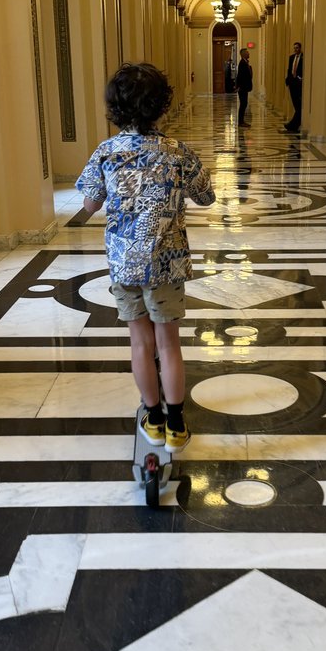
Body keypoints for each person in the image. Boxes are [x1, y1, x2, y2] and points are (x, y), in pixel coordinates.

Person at [77, 63, 215, 450]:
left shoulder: (106, 152)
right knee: (169, 344)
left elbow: (88, 204)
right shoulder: (177, 152)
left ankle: (152, 418)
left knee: (140, 343)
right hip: (167, 263)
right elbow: (207, 197)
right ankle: (176, 424)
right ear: (161, 106)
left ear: (115, 108)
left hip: (125, 263)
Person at [283, 41, 303, 133]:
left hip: (299, 83)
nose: (295, 49)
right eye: (294, 48)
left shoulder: (303, 57)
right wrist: (288, 80)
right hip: (292, 83)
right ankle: (293, 125)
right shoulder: (291, 57)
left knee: (299, 106)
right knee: (296, 105)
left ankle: (292, 125)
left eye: (297, 48)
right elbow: (289, 69)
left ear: (300, 48)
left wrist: (299, 78)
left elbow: (302, 70)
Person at [235, 47, 252, 126]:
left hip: (244, 87)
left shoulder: (245, 62)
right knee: (243, 104)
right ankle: (241, 122)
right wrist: (239, 87)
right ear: (243, 54)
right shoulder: (242, 63)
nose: (248, 53)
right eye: (247, 52)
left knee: (244, 104)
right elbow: (240, 76)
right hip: (243, 88)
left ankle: (241, 121)